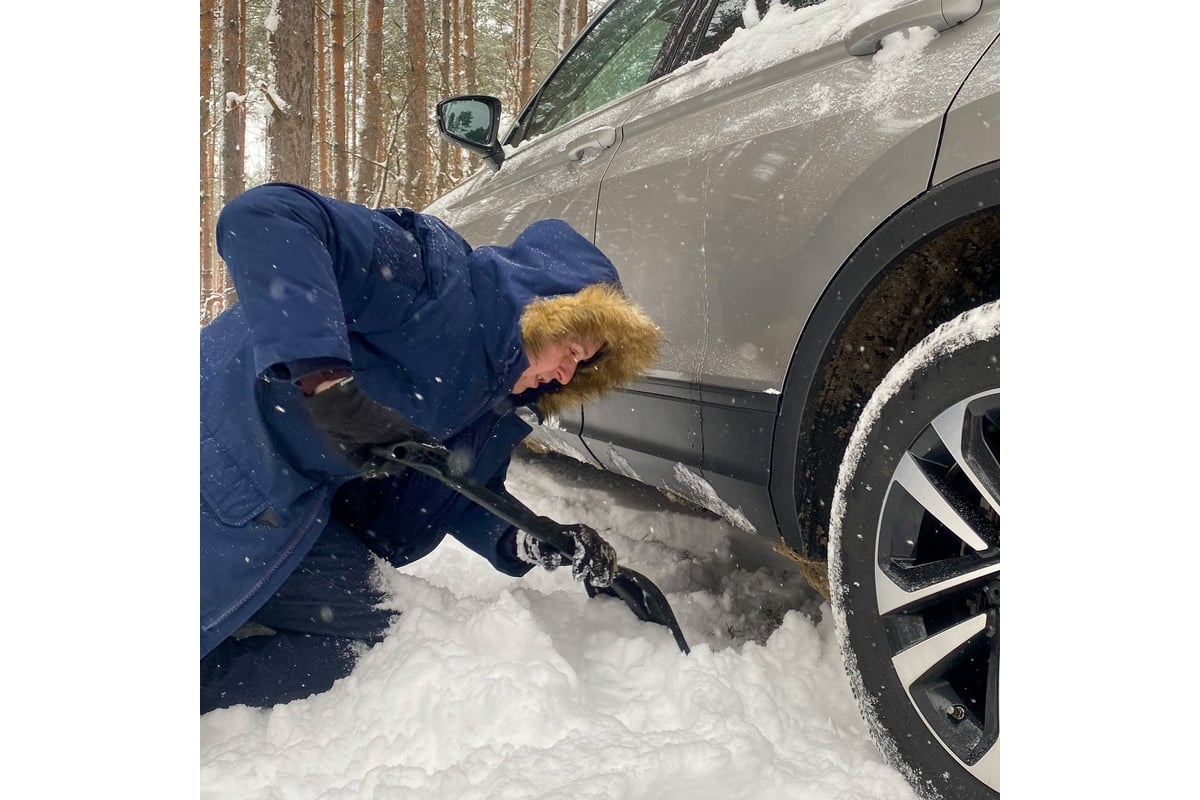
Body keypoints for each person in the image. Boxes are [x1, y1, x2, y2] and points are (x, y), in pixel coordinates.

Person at [200, 182, 661, 713]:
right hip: (222, 457)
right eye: (571, 350)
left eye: (583, 366)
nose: (566, 372)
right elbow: (265, 216)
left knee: (378, 636)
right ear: (543, 310)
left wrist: (530, 538)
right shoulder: (431, 281)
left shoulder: (495, 397)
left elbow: (457, 483)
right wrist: (325, 383)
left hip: (296, 505)